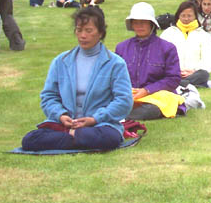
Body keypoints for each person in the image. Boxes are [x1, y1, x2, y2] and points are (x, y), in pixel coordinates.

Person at [20, 8, 132, 151]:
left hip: (100, 125)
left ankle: (70, 138)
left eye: (89, 31)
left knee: (110, 138)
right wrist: (61, 115)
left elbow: (124, 100)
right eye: (79, 30)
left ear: (101, 33)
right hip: (64, 125)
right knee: (29, 140)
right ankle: (75, 137)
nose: (83, 35)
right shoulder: (60, 61)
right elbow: (49, 96)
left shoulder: (116, 63)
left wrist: (95, 119)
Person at [115, 2, 183, 120]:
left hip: (156, 96)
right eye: (136, 22)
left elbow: (173, 78)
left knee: (152, 109)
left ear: (152, 24)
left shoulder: (167, 48)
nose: (139, 26)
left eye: (143, 22)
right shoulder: (122, 47)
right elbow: (114, 77)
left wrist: (147, 90)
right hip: (128, 95)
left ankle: (119, 115)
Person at [160, 1, 211, 87]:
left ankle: (181, 83)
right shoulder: (168, 33)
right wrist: (175, 71)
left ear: (195, 16)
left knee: (203, 74)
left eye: (189, 16)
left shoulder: (203, 35)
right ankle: (185, 83)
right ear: (178, 16)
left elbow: (210, 59)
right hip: (173, 73)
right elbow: (160, 56)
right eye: (183, 16)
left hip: (194, 73)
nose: (186, 19)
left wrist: (194, 71)